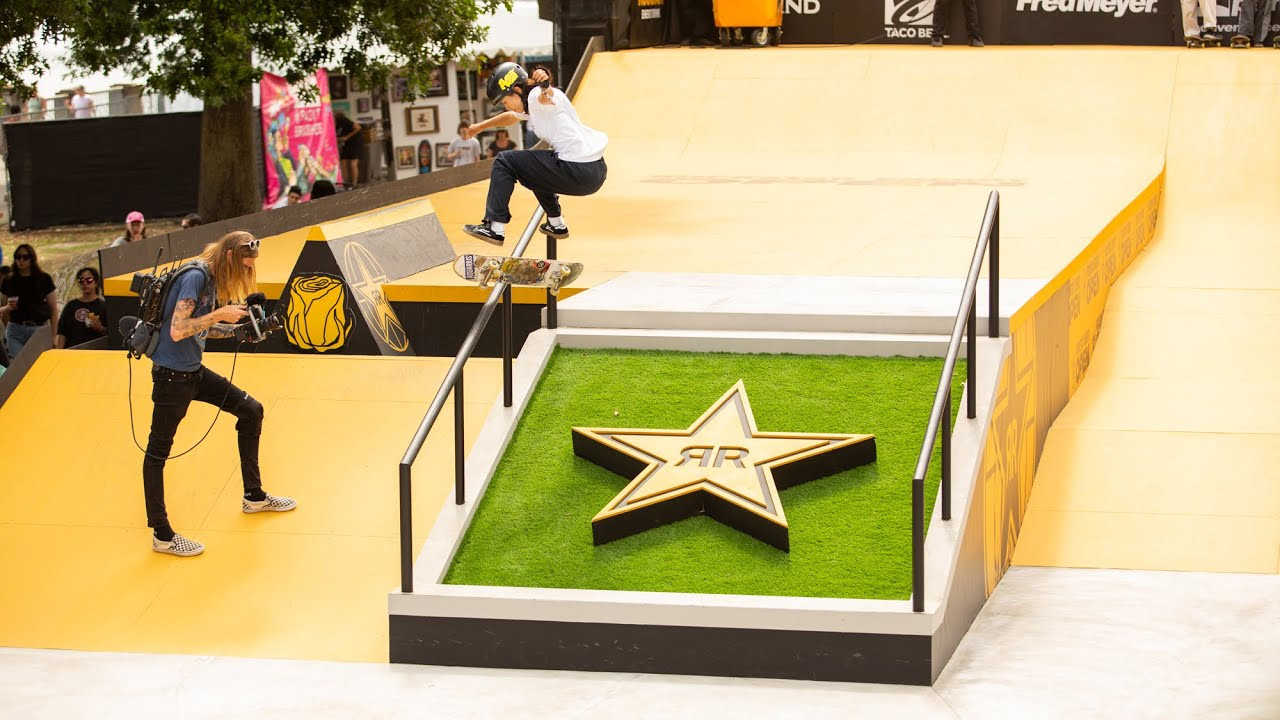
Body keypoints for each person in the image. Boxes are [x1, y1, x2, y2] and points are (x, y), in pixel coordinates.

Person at [143, 231, 296, 556]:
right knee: (157, 453)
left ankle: (253, 497)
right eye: (244, 267)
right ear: (228, 256)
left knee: (251, 410)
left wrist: (241, 330)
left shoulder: (210, 279)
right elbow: (178, 328)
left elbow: (204, 328)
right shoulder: (197, 276)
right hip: (172, 379)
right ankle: (162, 534)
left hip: (192, 372)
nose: (245, 274)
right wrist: (219, 314)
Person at [462, 63, 608, 245]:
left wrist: (545, 85)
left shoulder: (534, 98)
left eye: (506, 102)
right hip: (594, 171)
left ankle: (495, 227)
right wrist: (480, 127)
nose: (508, 108)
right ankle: (556, 224)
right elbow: (510, 118)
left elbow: (546, 97)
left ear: (516, 89)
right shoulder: (528, 106)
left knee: (504, 160)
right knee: (534, 168)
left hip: (576, 168)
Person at [0, 244, 58, 360]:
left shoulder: (43, 278)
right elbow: (4, 310)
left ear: (32, 258)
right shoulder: (9, 280)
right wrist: (6, 329)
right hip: (15, 329)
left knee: (38, 365)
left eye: (25, 257)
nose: (20, 260)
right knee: (19, 366)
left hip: (38, 328)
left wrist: (53, 335)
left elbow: (53, 309)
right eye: (17, 257)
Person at [55, 267, 107, 349]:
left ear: (96, 282)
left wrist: (100, 328)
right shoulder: (70, 306)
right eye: (81, 281)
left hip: (96, 352)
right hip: (72, 352)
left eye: (89, 280)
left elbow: (112, 333)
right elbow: (62, 333)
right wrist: (59, 352)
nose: (85, 283)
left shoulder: (103, 306)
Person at [333, 110, 364, 189]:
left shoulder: (343, 121)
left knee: (352, 163)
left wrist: (347, 137)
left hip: (355, 143)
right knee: (343, 163)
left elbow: (358, 127)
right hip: (346, 145)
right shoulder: (335, 125)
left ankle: (354, 183)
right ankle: (346, 182)